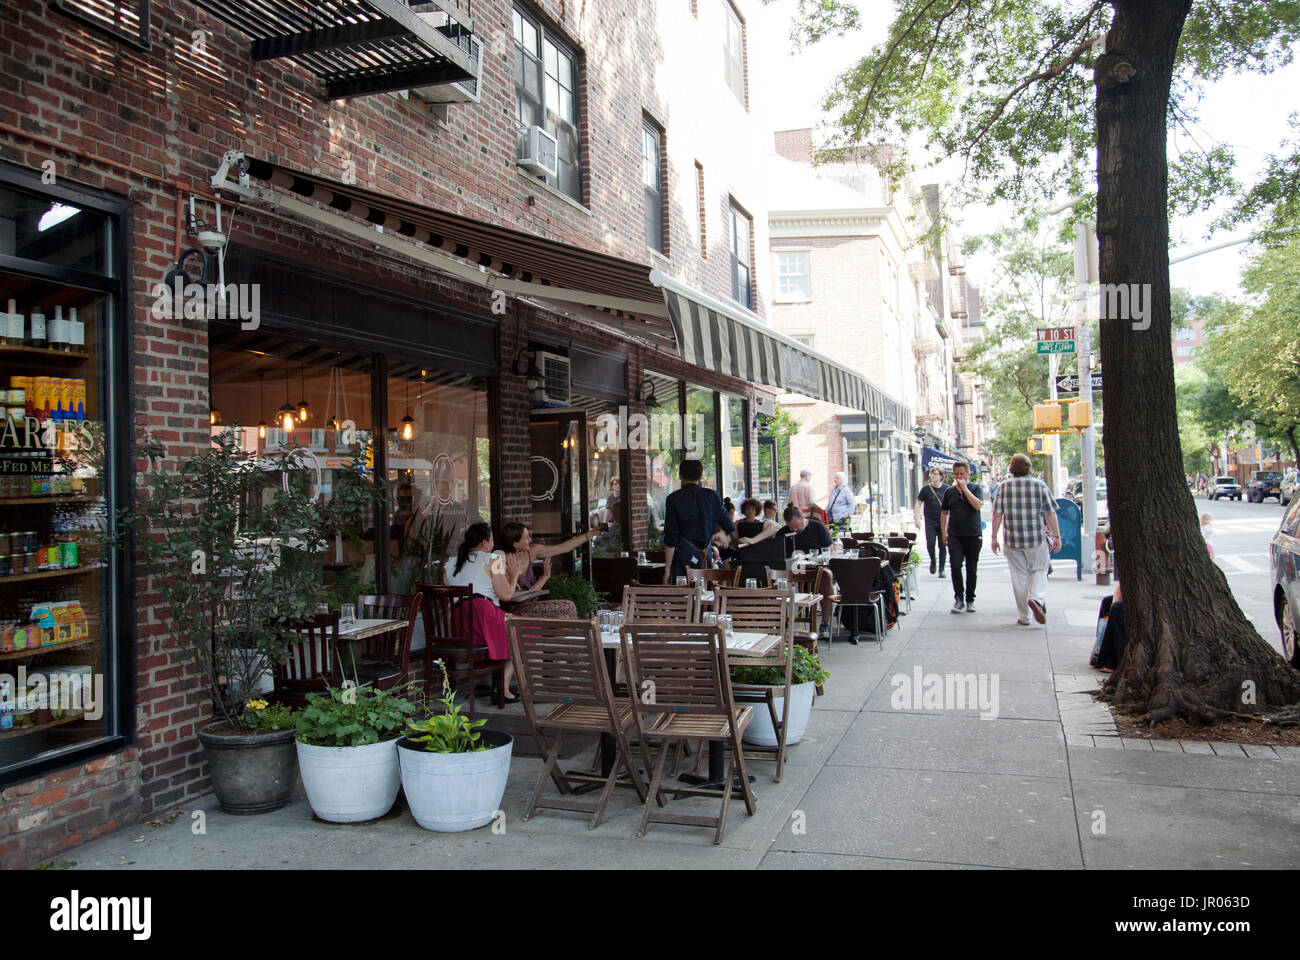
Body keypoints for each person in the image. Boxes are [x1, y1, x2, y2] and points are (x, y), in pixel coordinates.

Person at [443, 522, 518, 700]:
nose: (493, 545)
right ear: (484, 542)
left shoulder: (449, 564)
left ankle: (498, 684)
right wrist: (514, 575)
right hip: (484, 617)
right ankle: (503, 688)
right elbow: (506, 595)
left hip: (459, 623)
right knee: (522, 631)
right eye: (491, 541)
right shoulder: (494, 559)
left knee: (513, 631)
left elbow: (451, 597)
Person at [990, 453, 1062, 626]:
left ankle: (1024, 616)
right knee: (1039, 570)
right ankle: (1036, 598)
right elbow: (1050, 513)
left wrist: (994, 537)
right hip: (1035, 539)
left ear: (1011, 468)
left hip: (1013, 539)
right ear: (1028, 468)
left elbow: (997, 514)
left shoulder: (1003, 487)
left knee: (1019, 577)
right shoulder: (1039, 486)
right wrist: (1057, 536)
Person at [498, 522, 598, 617]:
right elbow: (522, 599)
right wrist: (545, 577)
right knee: (568, 606)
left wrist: (590, 534)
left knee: (563, 617)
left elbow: (564, 547)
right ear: (515, 544)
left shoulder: (531, 551)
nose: (530, 539)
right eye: (526, 537)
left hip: (533, 606)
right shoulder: (503, 561)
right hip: (515, 610)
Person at [663, 459, 734, 583]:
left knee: (684, 595)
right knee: (706, 594)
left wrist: (667, 570)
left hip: (683, 556)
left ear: (680, 475)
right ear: (700, 476)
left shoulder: (673, 499)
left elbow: (671, 538)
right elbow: (728, 525)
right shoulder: (712, 496)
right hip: (705, 555)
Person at [940, 460, 984, 613]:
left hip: (973, 534)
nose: (959, 477)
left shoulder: (976, 488)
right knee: (955, 565)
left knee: (972, 568)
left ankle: (970, 599)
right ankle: (959, 598)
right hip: (955, 535)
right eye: (957, 474)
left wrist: (965, 490)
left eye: (962, 474)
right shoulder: (949, 492)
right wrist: (944, 533)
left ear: (968, 474)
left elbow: (978, 505)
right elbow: (944, 513)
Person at [914, 467, 950, 577]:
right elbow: (918, 503)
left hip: (943, 522)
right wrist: (916, 518)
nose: (932, 476)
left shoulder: (947, 489)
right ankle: (933, 560)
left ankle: (942, 569)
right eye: (932, 474)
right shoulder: (925, 489)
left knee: (943, 544)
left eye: (935, 474)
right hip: (930, 521)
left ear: (941, 476)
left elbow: (952, 505)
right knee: (930, 543)